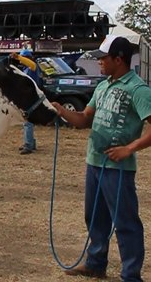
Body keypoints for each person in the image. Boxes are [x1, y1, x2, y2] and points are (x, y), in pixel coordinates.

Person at [52, 35, 151, 281]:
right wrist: (62, 111)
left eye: (103, 59)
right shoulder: (103, 86)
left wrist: (129, 148)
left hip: (118, 167)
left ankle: (131, 275)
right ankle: (96, 264)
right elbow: (85, 119)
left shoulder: (138, 90)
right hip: (94, 162)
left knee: (125, 222)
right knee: (95, 218)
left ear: (119, 59)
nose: (99, 64)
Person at [10, 49, 42, 155]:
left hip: (31, 98)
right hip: (27, 97)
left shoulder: (32, 67)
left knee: (27, 122)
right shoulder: (26, 69)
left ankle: (28, 145)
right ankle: (31, 143)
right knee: (28, 122)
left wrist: (18, 57)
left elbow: (31, 64)